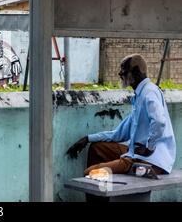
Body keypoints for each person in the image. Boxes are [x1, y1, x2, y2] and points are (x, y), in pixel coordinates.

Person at [67, 54, 176, 183]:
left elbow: (159, 121)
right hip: (136, 153)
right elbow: (119, 134)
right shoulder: (139, 96)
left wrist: (149, 147)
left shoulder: (149, 92)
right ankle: (106, 194)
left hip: (148, 160)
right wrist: (88, 139)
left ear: (135, 72)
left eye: (123, 69)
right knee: (97, 148)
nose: (120, 73)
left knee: (90, 173)